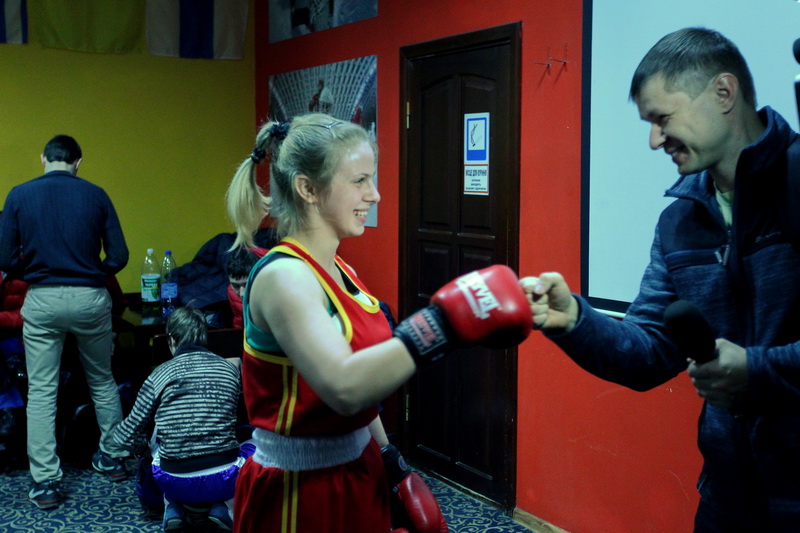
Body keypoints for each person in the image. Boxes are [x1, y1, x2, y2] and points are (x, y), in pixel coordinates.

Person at [522, 27, 800, 532]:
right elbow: (648, 353)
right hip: (726, 499)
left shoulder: (797, 183)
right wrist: (574, 320)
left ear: (724, 92)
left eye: (662, 119)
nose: (654, 141)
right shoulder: (679, 222)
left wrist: (758, 372)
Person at [225, 113, 531, 532]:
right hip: (300, 491)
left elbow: (364, 381)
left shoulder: (341, 270)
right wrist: (441, 325)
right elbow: (345, 387)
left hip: (358, 467)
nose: (375, 194)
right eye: (360, 181)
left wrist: (390, 459)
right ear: (307, 188)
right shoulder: (285, 278)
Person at [0, 135, 130, 509]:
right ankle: (113, 457)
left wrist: (35, 272)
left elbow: (5, 259)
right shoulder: (96, 194)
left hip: (43, 299)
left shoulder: (19, 195)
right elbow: (119, 255)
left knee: (42, 389)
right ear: (78, 162)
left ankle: (46, 482)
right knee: (102, 379)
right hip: (91, 298)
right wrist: (94, 272)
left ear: (43, 158)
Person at [111, 306, 250, 531]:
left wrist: (141, 449)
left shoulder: (160, 374)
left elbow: (125, 435)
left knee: (157, 435)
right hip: (224, 479)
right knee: (254, 441)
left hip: (174, 480)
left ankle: (173, 505)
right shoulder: (228, 369)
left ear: (172, 340)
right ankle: (224, 506)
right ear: (204, 337)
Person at [224, 246, 267, 330]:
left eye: (247, 284)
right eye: (235, 286)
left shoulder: (279, 286)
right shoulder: (231, 291)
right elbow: (240, 321)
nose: (242, 293)